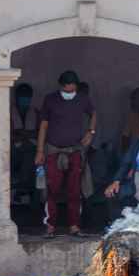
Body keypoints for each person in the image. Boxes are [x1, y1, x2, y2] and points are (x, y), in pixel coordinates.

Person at [35, 70, 96, 238]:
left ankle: (74, 226)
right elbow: (44, 126)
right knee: (52, 189)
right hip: (53, 150)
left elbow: (93, 113)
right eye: (67, 90)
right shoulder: (50, 100)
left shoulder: (83, 98)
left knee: (75, 190)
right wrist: (40, 151)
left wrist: (91, 132)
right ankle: (50, 226)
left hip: (75, 151)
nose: (70, 93)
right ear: (61, 87)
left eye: (72, 90)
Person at [120, 87, 139, 153]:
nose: (133, 102)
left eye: (137, 99)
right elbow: (125, 136)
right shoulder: (132, 115)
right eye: (133, 99)